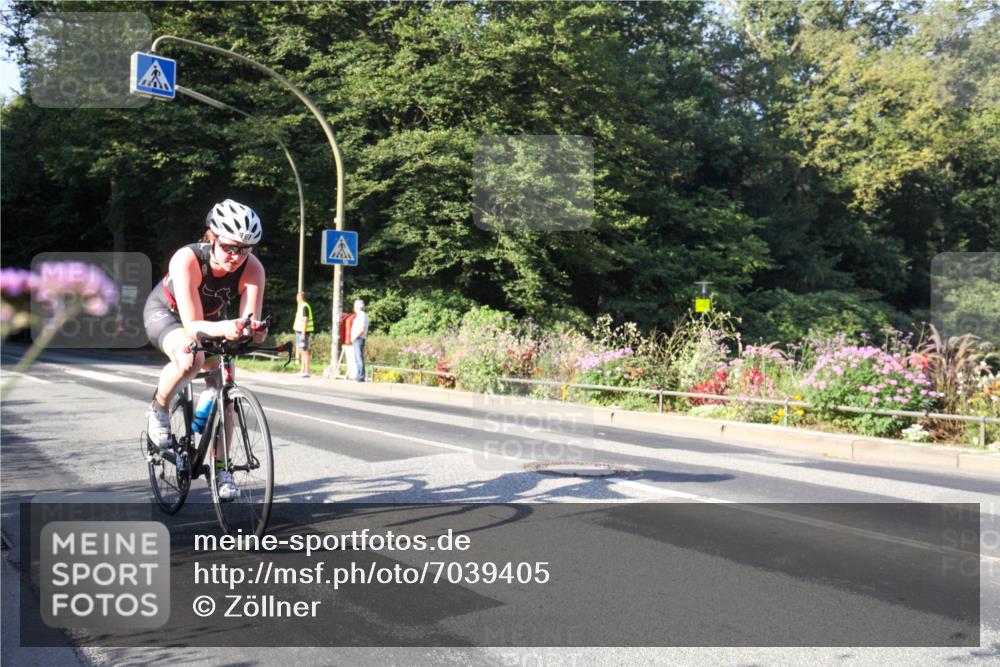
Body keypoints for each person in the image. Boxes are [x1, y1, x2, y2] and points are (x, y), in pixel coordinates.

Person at [143, 199, 268, 500]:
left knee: (226, 387)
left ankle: (222, 469)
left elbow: (250, 324)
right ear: (212, 237)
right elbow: (192, 326)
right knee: (191, 357)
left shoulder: (253, 269)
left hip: (210, 321)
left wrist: (255, 330)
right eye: (230, 247)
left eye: (246, 249)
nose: (237, 256)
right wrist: (229, 327)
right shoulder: (186, 259)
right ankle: (159, 409)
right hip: (168, 314)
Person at [292, 291, 313, 377]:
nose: (296, 298)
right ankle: (302, 370)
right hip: (299, 332)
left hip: (302, 333)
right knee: (302, 351)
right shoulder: (301, 307)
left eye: (297, 297)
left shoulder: (304, 307)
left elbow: (305, 320)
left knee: (305, 351)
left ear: (301, 297)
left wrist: (303, 334)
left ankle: (306, 371)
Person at [350, 298, 369, 381]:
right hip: (358, 338)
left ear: (357, 307)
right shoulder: (362, 315)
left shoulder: (361, 315)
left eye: (355, 306)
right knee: (358, 358)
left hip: (358, 339)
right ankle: (359, 375)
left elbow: (362, 328)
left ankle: (360, 376)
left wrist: (354, 337)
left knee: (358, 358)